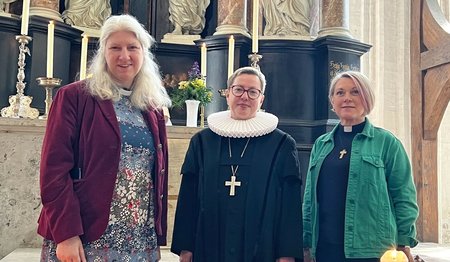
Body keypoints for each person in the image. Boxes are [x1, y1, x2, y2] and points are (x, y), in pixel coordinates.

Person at [37, 14, 172, 261]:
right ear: (103, 53)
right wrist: (66, 234)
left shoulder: (151, 108)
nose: (124, 56)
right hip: (87, 233)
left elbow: (156, 175)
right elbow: (53, 171)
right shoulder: (75, 97)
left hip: (138, 236)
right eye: (115, 47)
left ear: (144, 53)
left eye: (133, 47)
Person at [171, 66, 303, 262]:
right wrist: (185, 247)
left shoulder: (282, 144)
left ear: (261, 99)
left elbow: (290, 205)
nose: (245, 96)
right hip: (209, 245)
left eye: (253, 92)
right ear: (227, 94)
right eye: (238, 89)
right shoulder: (202, 142)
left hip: (263, 247)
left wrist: (287, 253)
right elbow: (188, 198)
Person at [302, 71, 419, 262]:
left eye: (355, 92)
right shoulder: (321, 144)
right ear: (332, 101)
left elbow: (404, 196)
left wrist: (403, 242)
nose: (347, 98)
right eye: (340, 93)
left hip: (373, 249)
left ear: (367, 99)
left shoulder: (387, 142)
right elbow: (309, 198)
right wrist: (306, 242)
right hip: (325, 248)